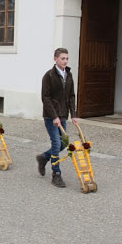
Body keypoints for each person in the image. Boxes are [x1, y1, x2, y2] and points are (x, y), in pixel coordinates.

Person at [36, 48, 79, 188]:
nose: (65, 61)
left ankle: (44, 157)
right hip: (51, 116)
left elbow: (71, 96)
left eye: (67, 58)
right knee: (56, 143)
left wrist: (73, 114)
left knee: (64, 143)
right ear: (55, 59)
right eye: (62, 58)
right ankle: (56, 174)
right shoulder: (48, 76)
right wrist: (54, 116)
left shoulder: (69, 75)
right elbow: (45, 98)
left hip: (63, 114)